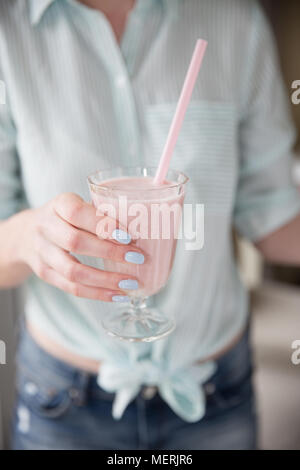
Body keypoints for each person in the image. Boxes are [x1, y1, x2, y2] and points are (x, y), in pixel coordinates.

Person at [0, 0, 299, 450]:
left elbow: (274, 217)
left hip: (216, 390)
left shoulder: (232, 19)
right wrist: (26, 238)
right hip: (63, 401)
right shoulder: (9, 27)